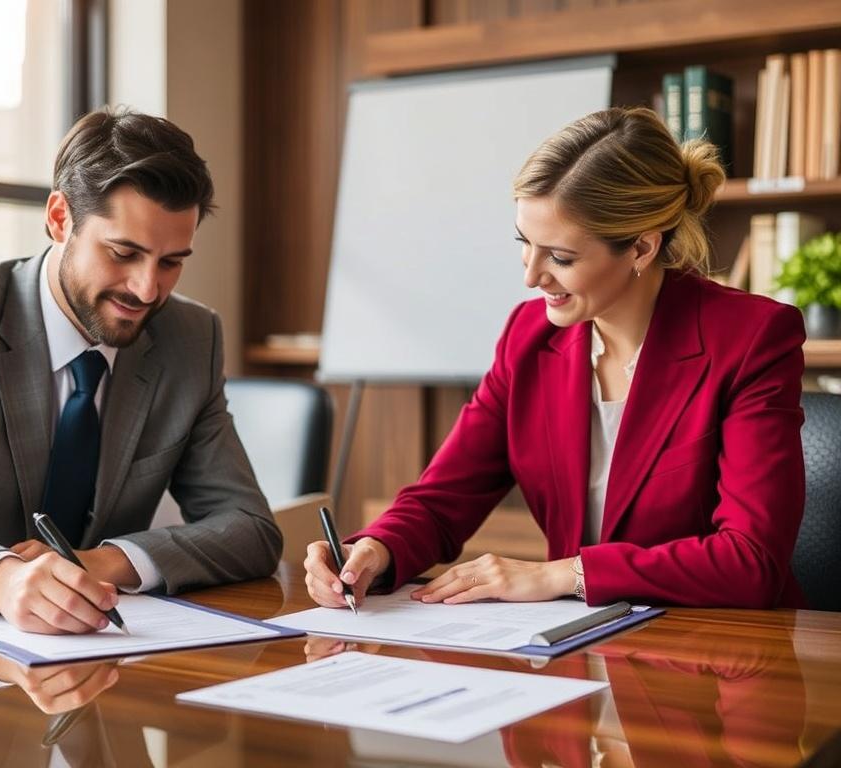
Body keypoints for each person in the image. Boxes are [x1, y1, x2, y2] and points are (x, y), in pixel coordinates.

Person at [305, 106, 806, 610]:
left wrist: (566, 574)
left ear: (641, 248)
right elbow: (444, 497)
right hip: (579, 649)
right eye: (526, 244)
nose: (532, 276)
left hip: (719, 655)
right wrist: (375, 549)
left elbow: (751, 560)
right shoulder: (528, 336)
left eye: (561, 258)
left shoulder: (750, 339)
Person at [0, 107, 282, 633]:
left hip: (107, 655)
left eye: (170, 262)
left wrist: (104, 560)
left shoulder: (191, 338)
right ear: (58, 219)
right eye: (124, 253)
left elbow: (251, 529)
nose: (147, 290)